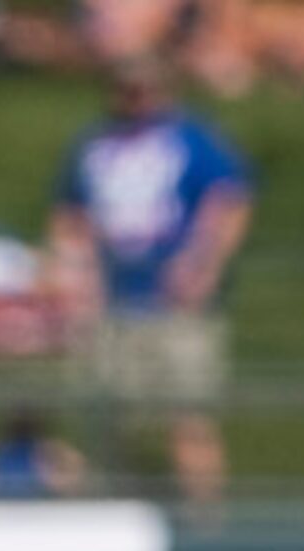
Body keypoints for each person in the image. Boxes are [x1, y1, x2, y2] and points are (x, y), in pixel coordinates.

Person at [48, 57, 253, 511]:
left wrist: (203, 262)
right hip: (113, 299)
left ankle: (206, 519)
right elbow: (70, 216)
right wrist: (75, 274)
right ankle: (114, 510)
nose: (135, 97)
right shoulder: (93, 144)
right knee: (108, 417)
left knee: (189, 414)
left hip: (176, 302)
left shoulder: (191, 139)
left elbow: (229, 200)